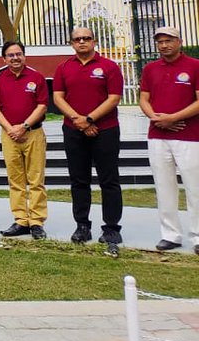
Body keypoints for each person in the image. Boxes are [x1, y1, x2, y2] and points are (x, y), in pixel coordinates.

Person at [53, 26, 124, 246]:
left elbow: (114, 98)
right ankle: (82, 225)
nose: (82, 42)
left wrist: (90, 119)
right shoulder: (64, 67)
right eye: (77, 39)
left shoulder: (109, 67)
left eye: (86, 38)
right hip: (74, 130)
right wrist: (80, 121)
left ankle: (111, 228)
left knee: (109, 180)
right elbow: (58, 97)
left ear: (94, 41)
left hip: (106, 130)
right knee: (79, 180)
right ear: (72, 43)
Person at [137, 26, 199, 254]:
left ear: (179, 42)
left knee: (195, 187)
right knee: (164, 186)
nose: (164, 45)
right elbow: (144, 98)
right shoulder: (151, 69)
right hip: (158, 135)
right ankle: (170, 234)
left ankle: (197, 235)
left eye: (169, 40)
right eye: (160, 41)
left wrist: (173, 118)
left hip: (189, 136)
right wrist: (155, 117)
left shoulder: (194, 66)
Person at [0, 41, 49, 240]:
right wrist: (10, 129)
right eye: (10, 55)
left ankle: (37, 221)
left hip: (33, 134)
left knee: (36, 179)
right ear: (4, 59)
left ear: (24, 55)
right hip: (9, 136)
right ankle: (21, 220)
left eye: (19, 54)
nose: (15, 58)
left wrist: (23, 126)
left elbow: (42, 106)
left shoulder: (36, 77)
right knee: (15, 180)